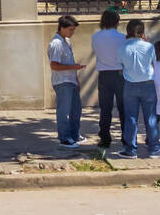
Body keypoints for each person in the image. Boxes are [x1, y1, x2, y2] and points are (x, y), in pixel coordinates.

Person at [117, 20, 160, 159]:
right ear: (143, 32)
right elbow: (154, 63)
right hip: (148, 84)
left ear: (128, 32)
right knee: (151, 118)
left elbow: (121, 67)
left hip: (130, 84)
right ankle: (154, 148)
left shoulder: (122, 47)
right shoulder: (149, 46)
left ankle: (130, 149)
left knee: (131, 118)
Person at [48, 14, 89, 148]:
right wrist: (74, 67)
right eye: (70, 29)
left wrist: (76, 79)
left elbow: (69, 62)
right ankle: (64, 137)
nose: (72, 33)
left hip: (71, 80)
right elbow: (54, 65)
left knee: (76, 110)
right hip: (62, 82)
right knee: (63, 111)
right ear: (62, 28)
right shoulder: (56, 44)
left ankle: (74, 134)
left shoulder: (66, 41)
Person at [91, 10, 126, 149]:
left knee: (105, 108)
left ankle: (105, 138)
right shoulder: (123, 38)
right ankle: (126, 137)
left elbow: (96, 52)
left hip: (104, 75)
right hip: (120, 74)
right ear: (117, 22)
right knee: (124, 108)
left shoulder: (96, 37)